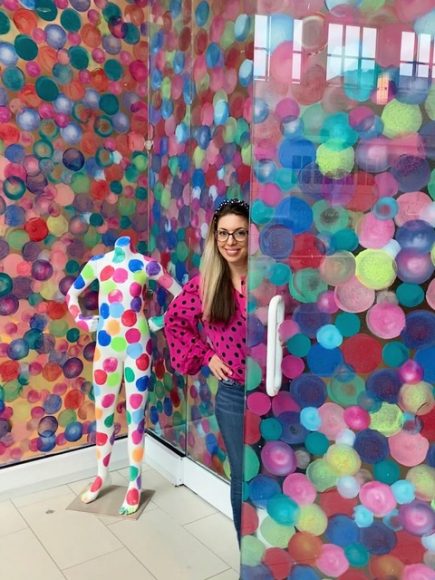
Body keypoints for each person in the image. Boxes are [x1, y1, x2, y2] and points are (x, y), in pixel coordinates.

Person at [66, 235, 181, 515]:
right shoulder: (98, 264)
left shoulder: (145, 265)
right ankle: (100, 475)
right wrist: (82, 320)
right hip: (106, 347)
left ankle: (134, 481)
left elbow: (182, 295)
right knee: (102, 412)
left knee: (135, 415)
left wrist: (160, 321)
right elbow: (71, 295)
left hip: (138, 347)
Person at [164, 199, 249, 543]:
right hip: (234, 394)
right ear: (215, 238)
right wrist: (206, 354)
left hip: (277, 392)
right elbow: (175, 322)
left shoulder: (272, 281)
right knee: (244, 475)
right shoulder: (206, 284)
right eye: (223, 233)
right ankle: (249, 557)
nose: (231, 242)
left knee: (283, 472)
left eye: (240, 233)